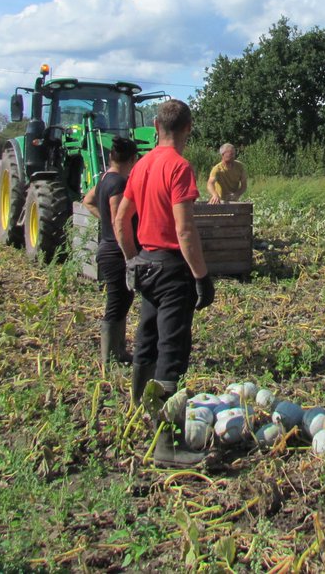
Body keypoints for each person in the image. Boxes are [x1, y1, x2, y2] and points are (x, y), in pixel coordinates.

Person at [114, 99, 215, 465]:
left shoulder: (141, 165)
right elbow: (185, 230)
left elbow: (121, 218)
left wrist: (131, 259)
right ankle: (167, 445)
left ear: (156, 126)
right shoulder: (179, 167)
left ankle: (139, 418)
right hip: (173, 270)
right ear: (188, 128)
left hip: (146, 266)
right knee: (171, 354)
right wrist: (201, 277)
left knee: (147, 342)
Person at [80, 136, 139, 366]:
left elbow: (88, 200)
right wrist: (130, 255)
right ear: (133, 159)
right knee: (116, 302)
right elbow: (119, 221)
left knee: (123, 299)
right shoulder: (118, 183)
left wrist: (103, 219)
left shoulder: (105, 177)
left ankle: (119, 352)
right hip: (115, 252)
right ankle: (109, 357)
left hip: (108, 247)